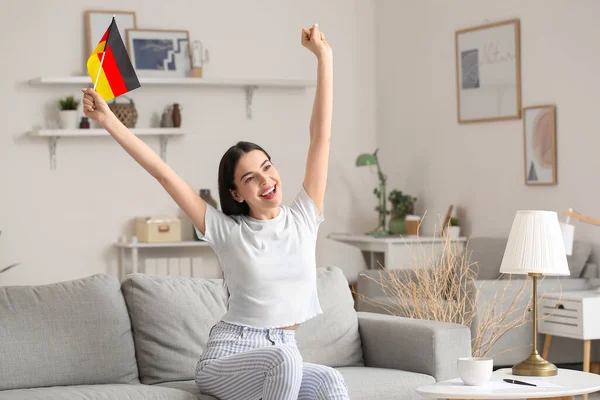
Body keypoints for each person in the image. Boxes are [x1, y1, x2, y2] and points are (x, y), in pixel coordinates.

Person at [82, 23, 348, 400]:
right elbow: (163, 173)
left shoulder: (304, 218)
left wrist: (325, 56)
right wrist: (109, 120)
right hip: (230, 355)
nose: (266, 180)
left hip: (282, 351)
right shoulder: (226, 230)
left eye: (267, 167)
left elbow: (321, 136)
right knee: (286, 362)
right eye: (251, 178)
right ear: (236, 193)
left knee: (331, 382)